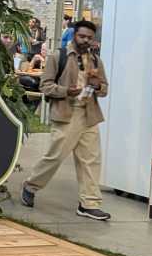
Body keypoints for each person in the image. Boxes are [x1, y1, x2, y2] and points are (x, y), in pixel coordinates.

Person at [21, 20, 112, 221]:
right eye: (82, 36)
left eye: (89, 37)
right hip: (65, 115)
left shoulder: (96, 60)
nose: (86, 40)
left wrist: (98, 87)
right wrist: (65, 91)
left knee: (91, 160)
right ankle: (31, 185)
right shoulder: (58, 56)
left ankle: (89, 204)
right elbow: (45, 86)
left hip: (89, 115)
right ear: (74, 35)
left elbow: (104, 88)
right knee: (55, 157)